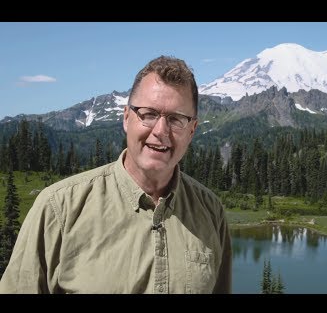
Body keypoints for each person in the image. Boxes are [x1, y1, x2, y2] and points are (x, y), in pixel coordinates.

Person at [0, 56, 232, 294]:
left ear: (192, 130)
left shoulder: (211, 211)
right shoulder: (59, 208)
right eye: (148, 114)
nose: (161, 131)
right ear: (126, 118)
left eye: (176, 119)